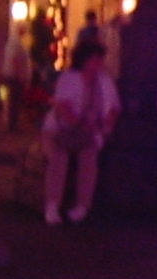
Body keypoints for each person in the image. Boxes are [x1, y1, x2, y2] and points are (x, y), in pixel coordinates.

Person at [42, 41, 119, 225]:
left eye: (100, 60)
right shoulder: (69, 79)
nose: (98, 64)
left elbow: (113, 107)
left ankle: (82, 205)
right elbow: (64, 108)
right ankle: (52, 205)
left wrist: (105, 125)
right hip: (60, 130)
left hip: (88, 132)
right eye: (95, 59)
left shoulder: (104, 81)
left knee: (89, 159)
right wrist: (83, 124)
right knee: (59, 157)